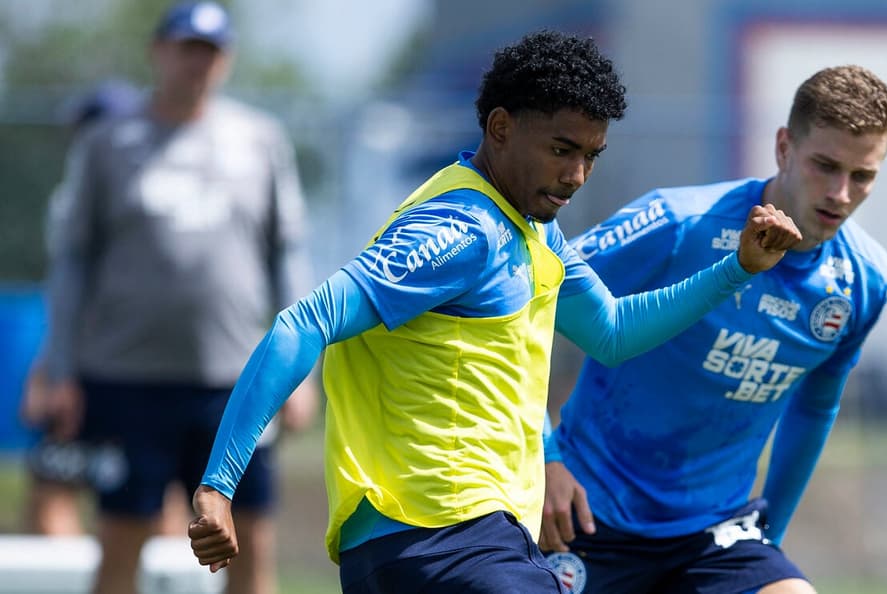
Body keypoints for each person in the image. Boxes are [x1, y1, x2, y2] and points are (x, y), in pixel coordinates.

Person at [188, 29, 801, 593]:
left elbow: (613, 331)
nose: (577, 174)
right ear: (501, 128)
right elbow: (306, 321)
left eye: (592, 155)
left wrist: (738, 268)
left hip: (439, 544)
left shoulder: (533, 231)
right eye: (562, 149)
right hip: (442, 535)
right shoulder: (463, 228)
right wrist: (220, 484)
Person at [540, 64, 887, 594]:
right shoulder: (677, 222)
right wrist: (544, 458)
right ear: (784, 147)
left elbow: (816, 405)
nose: (841, 193)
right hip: (588, 514)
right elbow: (521, 314)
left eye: (863, 176)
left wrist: (770, 536)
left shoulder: (864, 280)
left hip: (718, 532)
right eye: (825, 166)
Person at [41, 2, 317, 593]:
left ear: (227, 61)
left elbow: (285, 256)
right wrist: (61, 368)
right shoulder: (107, 142)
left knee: (248, 542)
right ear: (158, 52)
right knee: (120, 539)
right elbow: (73, 263)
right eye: (187, 48)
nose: (198, 63)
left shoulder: (260, 139)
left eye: (211, 52)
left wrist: (299, 373)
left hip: (236, 381)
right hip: (125, 377)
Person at [19, 78, 143, 537]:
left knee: (60, 488)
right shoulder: (79, 196)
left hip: (108, 367)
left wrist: (52, 371)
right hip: (110, 365)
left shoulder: (85, 200)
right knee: (59, 483)